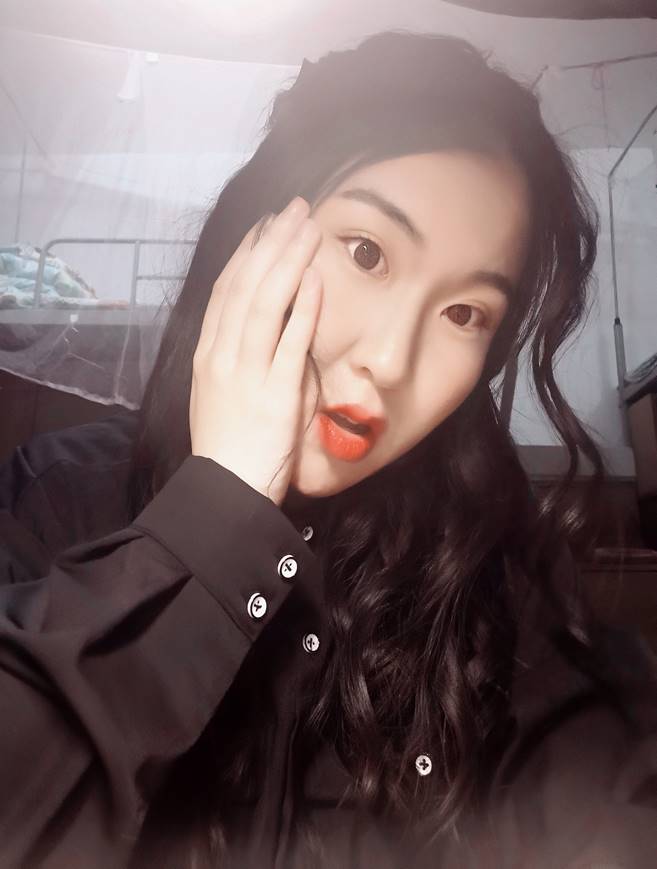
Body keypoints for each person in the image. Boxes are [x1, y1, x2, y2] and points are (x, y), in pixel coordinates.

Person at [0, 28, 656, 869]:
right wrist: (216, 514)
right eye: (366, 252)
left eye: (464, 313)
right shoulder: (55, 497)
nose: (390, 360)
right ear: (254, 233)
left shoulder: (491, 562)